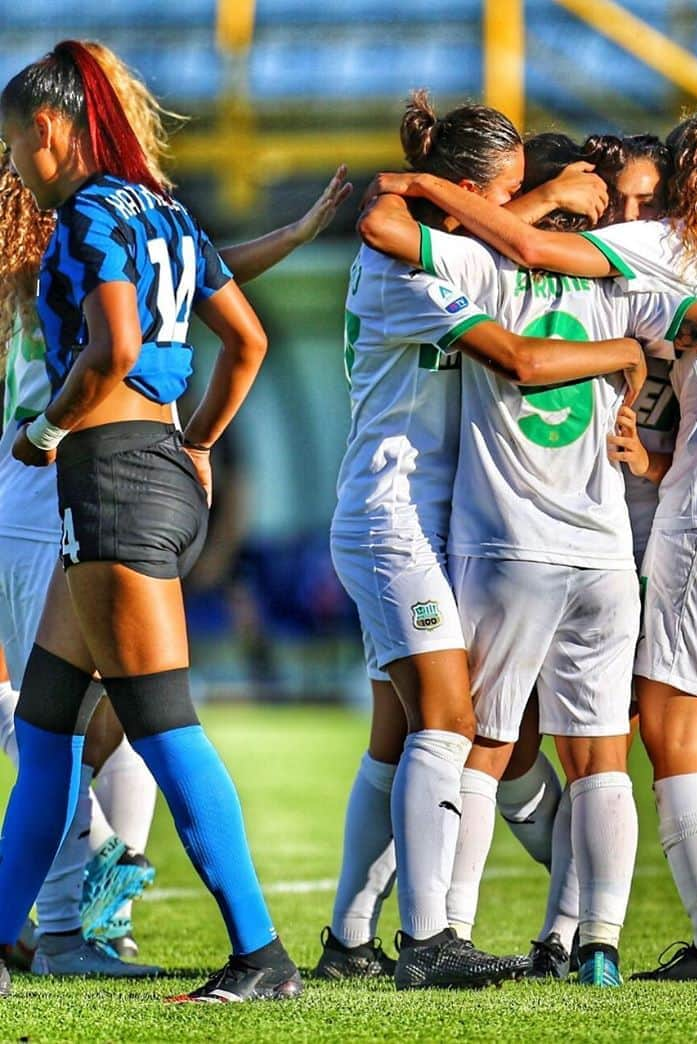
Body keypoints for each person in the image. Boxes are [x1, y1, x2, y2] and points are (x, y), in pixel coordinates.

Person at [365, 103, 697, 982]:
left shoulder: (635, 256)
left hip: (613, 527)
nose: (636, 213)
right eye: (625, 199)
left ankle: (473, 932)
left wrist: (438, 188)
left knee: (519, 739)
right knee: (650, 740)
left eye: (654, 195)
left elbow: (517, 259)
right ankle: (608, 940)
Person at [0, 43, 352, 972]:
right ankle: (6, 941)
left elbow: (112, 348)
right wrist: (195, 441)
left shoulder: (82, 214)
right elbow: (247, 338)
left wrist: (44, 428)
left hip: (110, 478)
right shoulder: (164, 209)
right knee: (44, 733)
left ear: (47, 128)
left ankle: (260, 955)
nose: (14, 170)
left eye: (12, 148)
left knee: (161, 724)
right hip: (151, 470)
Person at [330, 90, 650, 990]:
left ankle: (351, 935)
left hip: (423, 521)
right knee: (453, 721)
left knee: (399, 733)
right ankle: (430, 942)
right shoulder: (416, 273)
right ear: (464, 189)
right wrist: (623, 352)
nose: (513, 205)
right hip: (391, 516)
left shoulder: (463, 255)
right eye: (502, 190)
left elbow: (483, 242)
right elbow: (517, 357)